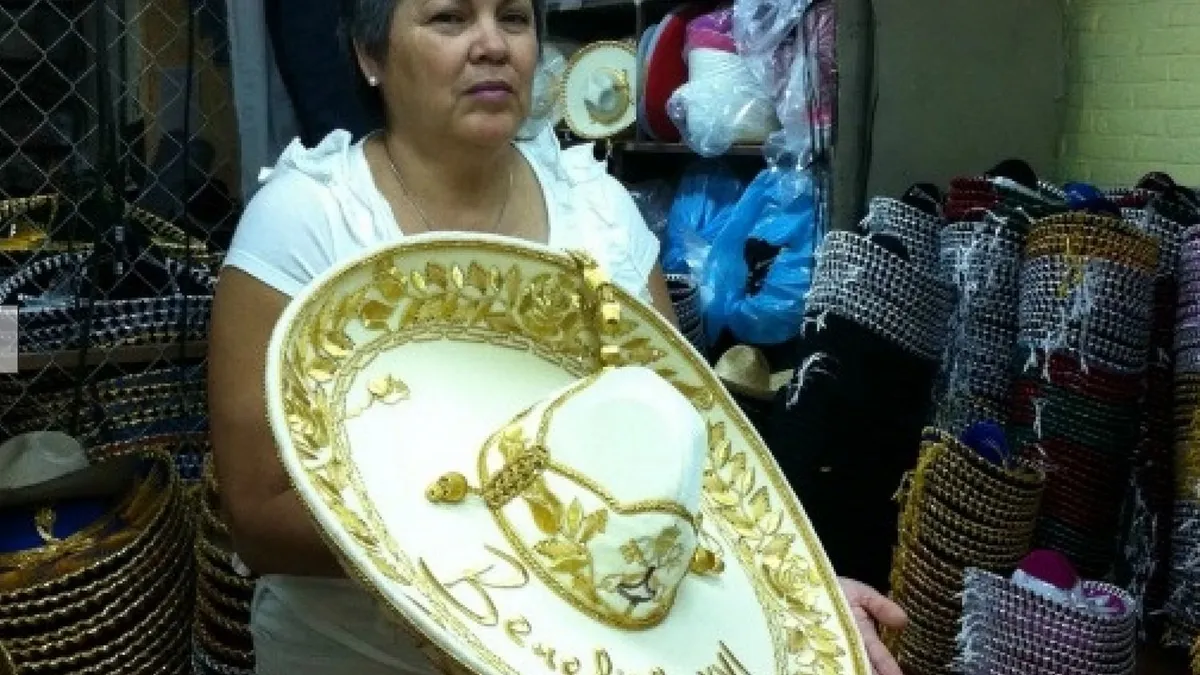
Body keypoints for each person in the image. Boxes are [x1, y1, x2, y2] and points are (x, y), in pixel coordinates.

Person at [207, 0, 909, 673]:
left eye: (514, 17)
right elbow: (261, 514)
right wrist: (532, 539)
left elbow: (679, 465)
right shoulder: (309, 220)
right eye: (450, 18)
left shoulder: (599, 214)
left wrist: (792, 608)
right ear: (370, 54)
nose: (493, 44)